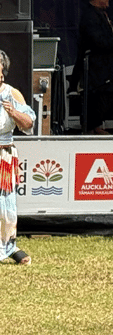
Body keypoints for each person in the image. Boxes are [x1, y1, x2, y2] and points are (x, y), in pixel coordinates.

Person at [73, 0, 113, 135]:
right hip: (96, 71)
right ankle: (92, 130)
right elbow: (100, 43)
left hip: (106, 69)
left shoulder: (100, 14)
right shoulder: (90, 16)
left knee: (105, 99)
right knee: (96, 99)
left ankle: (97, 127)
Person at [0, 50, 36, 266]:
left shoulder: (12, 94)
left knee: (6, 207)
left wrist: (13, 112)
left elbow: (29, 123)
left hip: (3, 155)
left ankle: (9, 247)